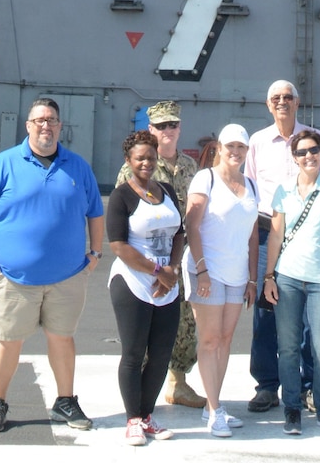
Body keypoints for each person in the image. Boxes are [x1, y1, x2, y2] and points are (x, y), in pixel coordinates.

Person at [0, 97, 104, 434]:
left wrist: (95, 254)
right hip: (14, 278)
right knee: (8, 339)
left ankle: (65, 402)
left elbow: (95, 213)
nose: (46, 125)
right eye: (40, 120)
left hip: (67, 277)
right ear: (28, 126)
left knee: (62, 339)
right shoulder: (2, 164)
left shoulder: (77, 167)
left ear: (60, 126)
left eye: (52, 120)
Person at [244, 79, 320, 413]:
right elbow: (251, 191)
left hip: (306, 234)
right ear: (268, 105)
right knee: (265, 313)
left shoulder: (315, 138)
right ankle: (266, 385)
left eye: (288, 97)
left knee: (308, 314)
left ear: (297, 102)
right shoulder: (258, 142)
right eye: (276, 97)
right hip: (267, 233)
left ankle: (308, 385)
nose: (282, 102)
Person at [115, 100, 204, 409]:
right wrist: (153, 268)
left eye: (173, 125)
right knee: (143, 329)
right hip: (144, 261)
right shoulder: (136, 166)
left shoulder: (190, 166)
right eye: (161, 126)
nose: (168, 131)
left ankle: (177, 382)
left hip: (180, 258)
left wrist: (177, 266)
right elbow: (123, 217)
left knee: (184, 324)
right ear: (150, 129)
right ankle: (138, 395)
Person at [263, 129, 320, 435]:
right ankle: (292, 409)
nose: (309, 156)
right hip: (287, 278)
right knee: (287, 348)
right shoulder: (283, 191)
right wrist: (269, 276)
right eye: (302, 152)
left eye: (314, 150)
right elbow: (275, 234)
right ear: (294, 157)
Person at [107, 130, 185, 445]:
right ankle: (133, 420)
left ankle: (148, 416)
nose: (146, 163)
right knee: (134, 352)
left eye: (151, 157)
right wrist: (157, 271)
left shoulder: (166, 189)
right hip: (133, 281)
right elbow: (118, 245)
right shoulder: (121, 196)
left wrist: (172, 270)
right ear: (129, 161)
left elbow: (180, 232)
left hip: (167, 281)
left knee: (161, 353)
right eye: (140, 158)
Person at [183, 123, 259, 438]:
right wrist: (201, 270)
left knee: (225, 341)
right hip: (208, 272)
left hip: (237, 274)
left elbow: (254, 235)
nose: (236, 152)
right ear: (219, 147)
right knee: (210, 339)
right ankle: (215, 410)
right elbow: (192, 224)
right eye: (230, 146)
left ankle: (213, 404)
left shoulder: (251, 184)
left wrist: (253, 279)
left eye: (241, 147)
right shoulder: (206, 178)